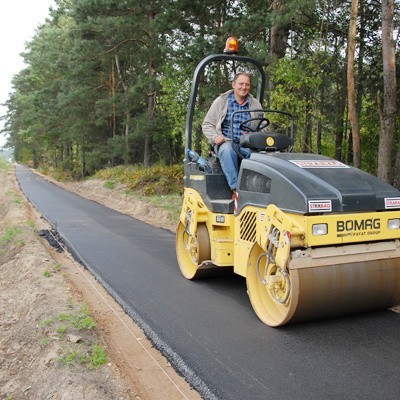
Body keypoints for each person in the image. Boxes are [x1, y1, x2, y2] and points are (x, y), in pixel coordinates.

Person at [202, 72, 264, 191]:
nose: (244, 87)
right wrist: (215, 137)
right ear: (233, 85)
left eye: (247, 85)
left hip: (247, 144)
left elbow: (261, 126)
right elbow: (207, 124)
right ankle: (236, 189)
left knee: (263, 157)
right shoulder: (221, 102)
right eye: (241, 84)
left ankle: (259, 190)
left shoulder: (255, 104)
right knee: (227, 150)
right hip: (226, 142)